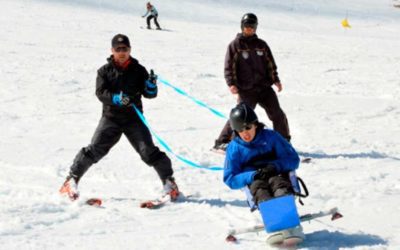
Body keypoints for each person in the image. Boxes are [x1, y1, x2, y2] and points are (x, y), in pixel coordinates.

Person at [60, 34, 179, 202]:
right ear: (112, 51)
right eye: (118, 49)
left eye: (125, 49)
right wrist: (116, 98)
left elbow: (150, 95)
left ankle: (170, 184)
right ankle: (71, 181)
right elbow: (100, 93)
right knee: (95, 149)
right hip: (111, 118)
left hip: (134, 119)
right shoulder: (104, 71)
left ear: (130, 50)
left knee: (148, 151)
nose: (122, 52)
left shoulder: (139, 70)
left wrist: (151, 86)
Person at [223, 103, 304, 244]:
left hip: (275, 174)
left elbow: (292, 159)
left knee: (280, 187)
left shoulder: (271, 137)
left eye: (248, 127)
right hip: (255, 180)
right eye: (240, 130)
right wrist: (251, 175)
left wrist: (275, 166)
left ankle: (290, 226)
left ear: (255, 124)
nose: (245, 133)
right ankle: (275, 227)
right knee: (261, 192)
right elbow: (230, 178)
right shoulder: (234, 148)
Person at [213, 13, 291, 152]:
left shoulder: (262, 45)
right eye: (247, 27)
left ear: (256, 28)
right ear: (242, 27)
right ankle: (222, 142)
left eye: (252, 27)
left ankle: (283, 141)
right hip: (246, 89)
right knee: (241, 116)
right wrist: (231, 83)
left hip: (264, 87)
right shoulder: (235, 45)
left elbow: (270, 64)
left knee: (277, 114)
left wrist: (276, 80)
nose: (249, 29)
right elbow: (229, 66)